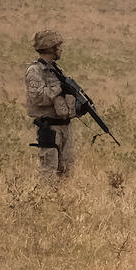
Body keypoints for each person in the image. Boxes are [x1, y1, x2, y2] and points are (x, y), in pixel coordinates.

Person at [25, 30, 80, 176]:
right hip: (49, 128)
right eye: (58, 46)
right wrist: (58, 89)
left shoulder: (56, 70)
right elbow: (37, 97)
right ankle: (46, 199)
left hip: (64, 126)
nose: (61, 49)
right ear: (50, 47)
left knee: (67, 170)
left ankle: (63, 199)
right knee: (49, 172)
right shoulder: (35, 71)